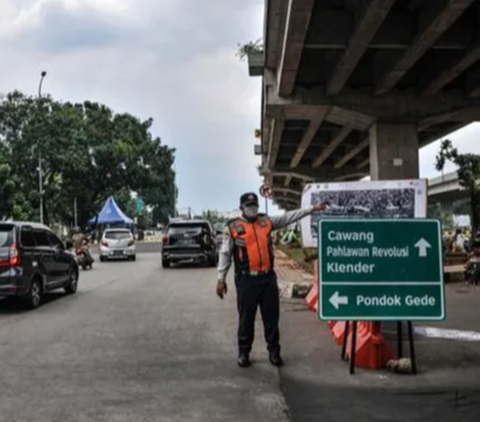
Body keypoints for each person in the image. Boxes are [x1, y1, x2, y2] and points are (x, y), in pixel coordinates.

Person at [216, 192, 327, 368]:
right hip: (247, 281)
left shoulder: (266, 222)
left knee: (271, 318)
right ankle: (244, 352)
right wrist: (221, 279)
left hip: (267, 279)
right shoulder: (233, 228)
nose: (252, 210)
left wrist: (312, 209)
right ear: (241, 208)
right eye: (248, 207)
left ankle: (274, 352)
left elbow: (288, 217)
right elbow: (225, 254)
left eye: (255, 206)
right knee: (246, 319)